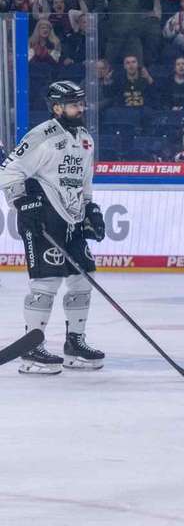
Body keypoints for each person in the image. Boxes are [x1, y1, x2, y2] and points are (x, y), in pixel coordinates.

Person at [0, 81, 105, 374]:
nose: (80, 108)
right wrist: (22, 202)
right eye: (74, 103)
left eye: (81, 103)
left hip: (71, 217)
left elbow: (85, 179)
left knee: (84, 276)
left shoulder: (85, 138)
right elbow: (9, 169)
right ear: (57, 107)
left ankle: (75, 344)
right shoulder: (42, 135)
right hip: (42, 216)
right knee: (46, 283)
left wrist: (90, 208)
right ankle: (31, 351)